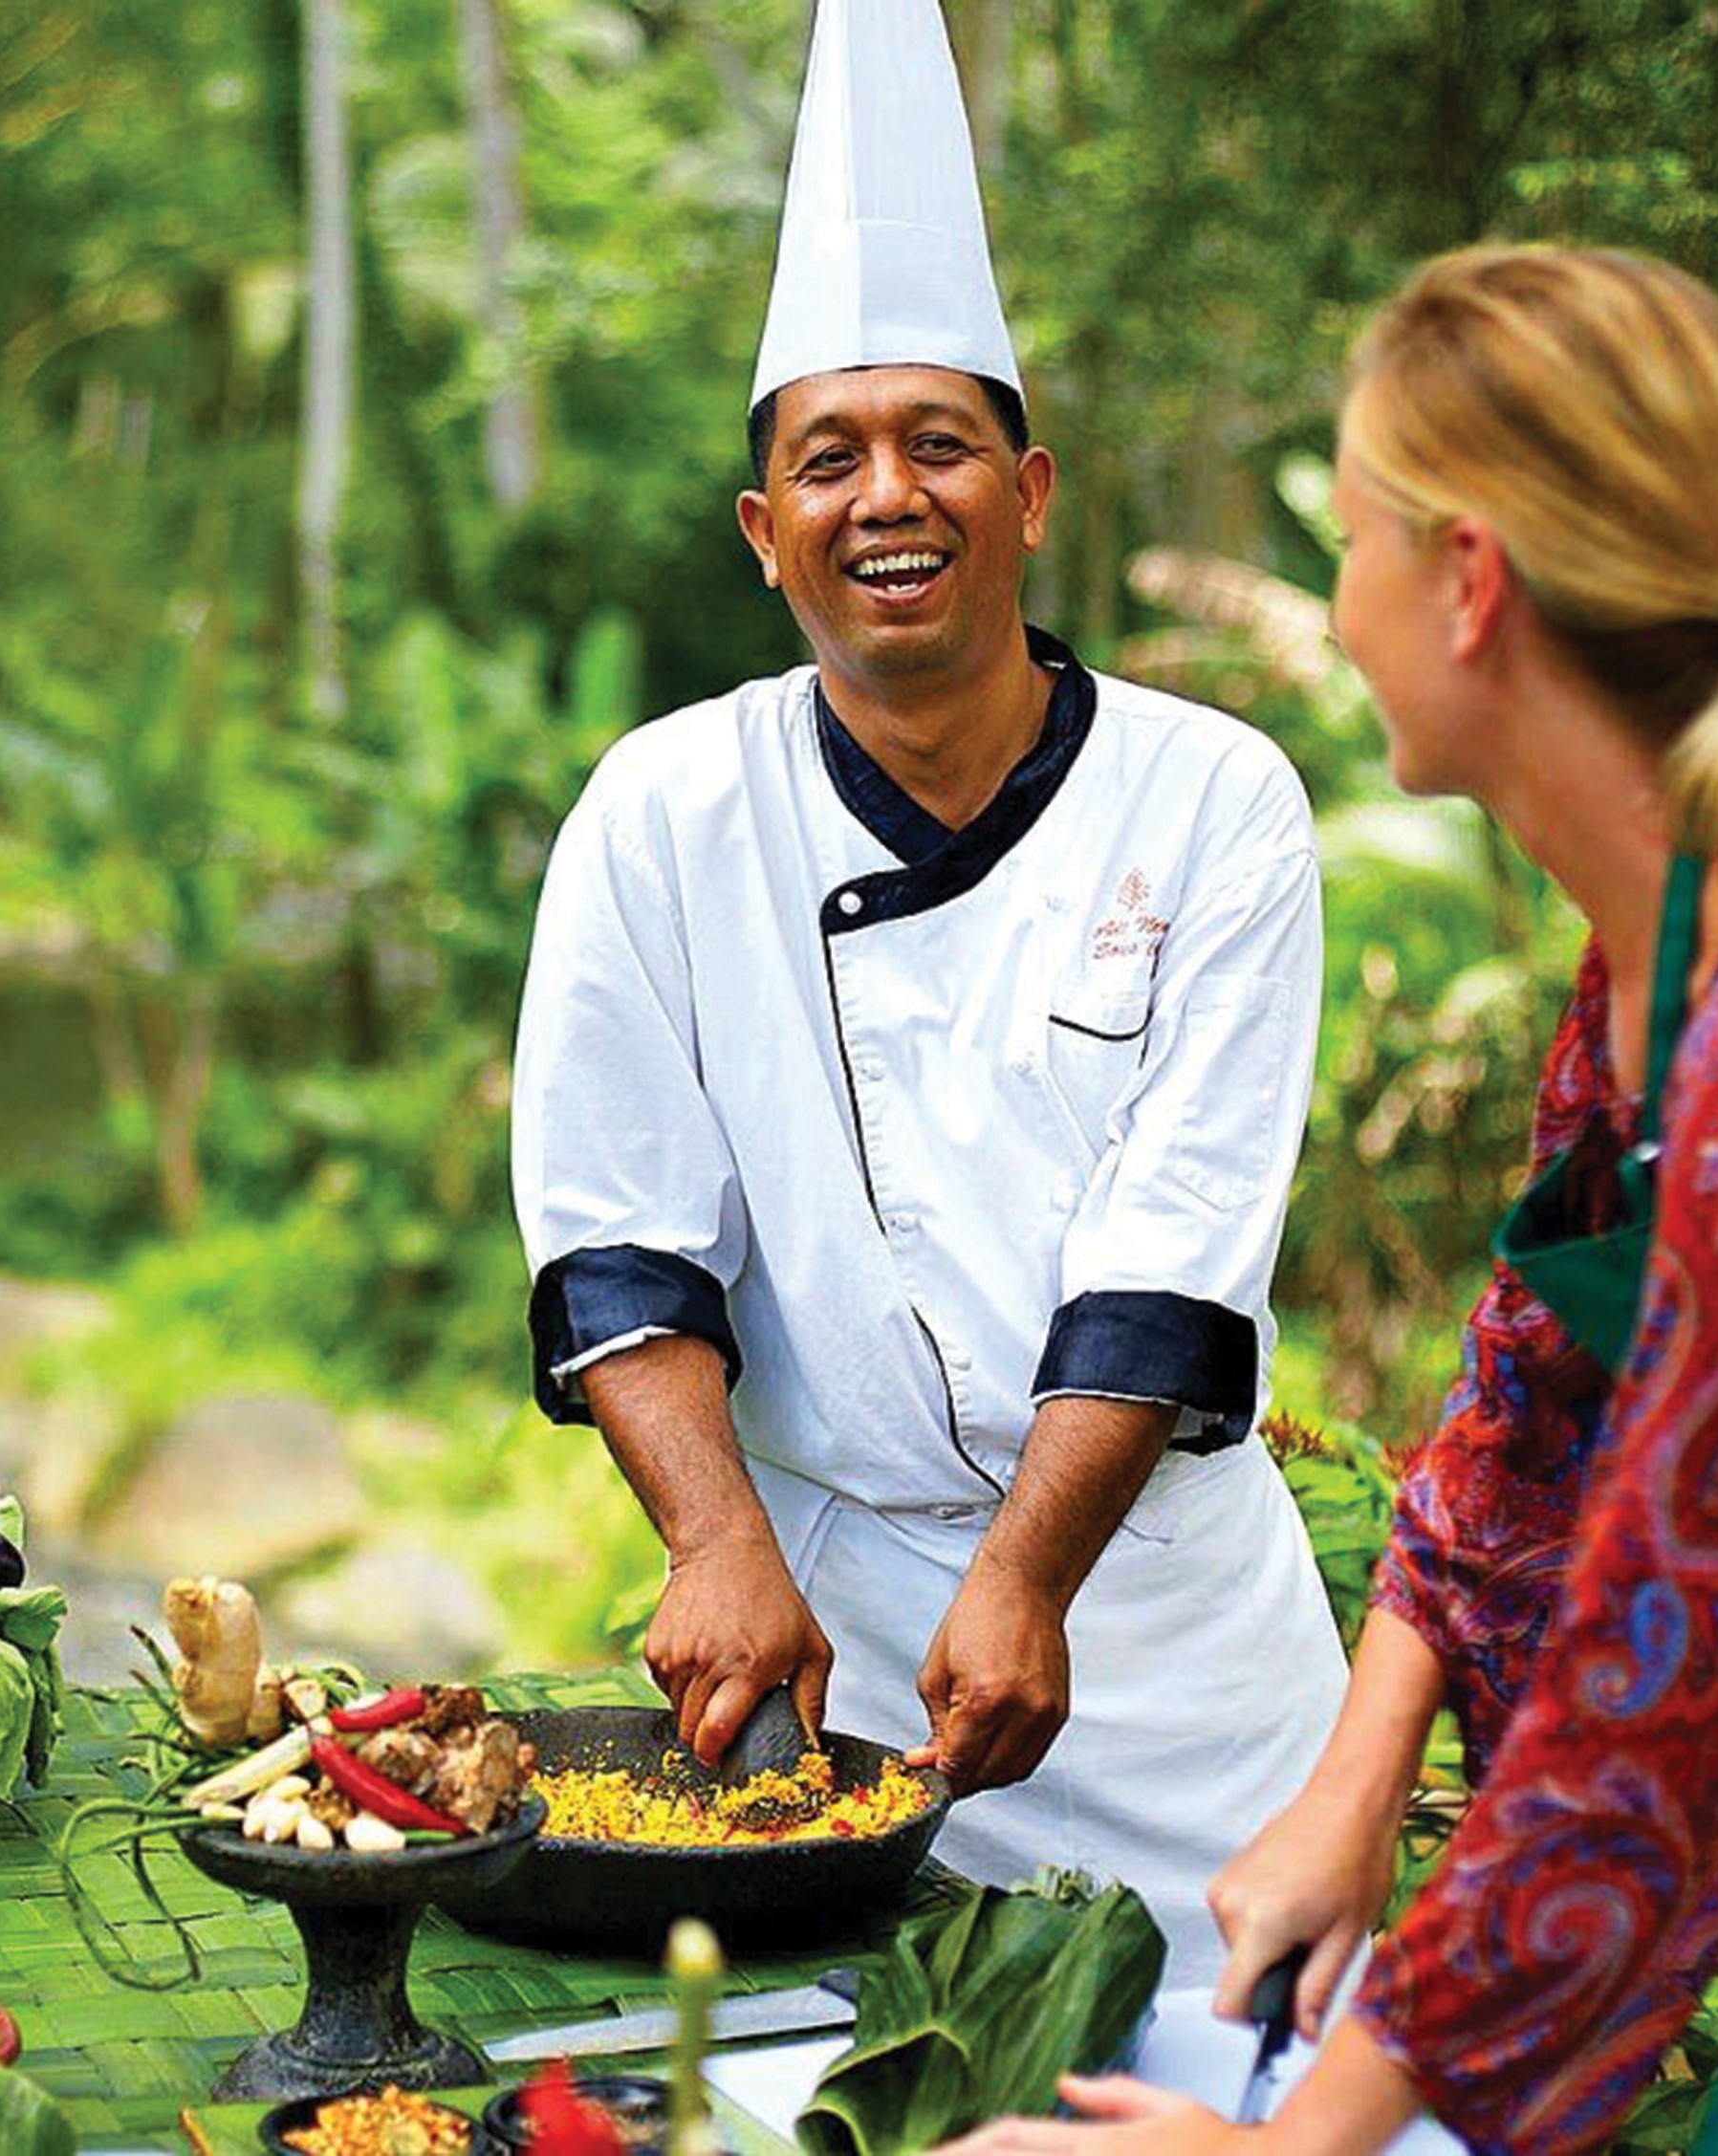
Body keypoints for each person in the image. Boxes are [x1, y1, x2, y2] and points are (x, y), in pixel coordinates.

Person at [946, 243, 1718, 2154]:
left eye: (1354, 532)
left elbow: (1666, 1716)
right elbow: (1524, 1413)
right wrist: (1356, 1794)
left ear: (1469, 584)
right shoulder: (1644, 975)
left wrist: (1289, 2152)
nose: (1335, 599)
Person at [508, 0, 1345, 1983]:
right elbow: (620, 1235)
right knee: (841, 2084)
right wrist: (716, 1540)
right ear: (764, 531)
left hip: (1167, 1644)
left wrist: (1032, 1570)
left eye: (938, 443)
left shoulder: (1214, 800)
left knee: (1267, 2071)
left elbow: (1171, 1249)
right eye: (831, 456)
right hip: (838, 1650)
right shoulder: (661, 812)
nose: (887, 491)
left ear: (1031, 494)